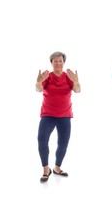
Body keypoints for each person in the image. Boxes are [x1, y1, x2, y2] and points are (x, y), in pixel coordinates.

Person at [36, 51, 81, 183]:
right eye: (55, 61)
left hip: (65, 116)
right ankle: (46, 169)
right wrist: (38, 82)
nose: (58, 63)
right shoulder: (47, 77)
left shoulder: (68, 77)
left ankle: (57, 168)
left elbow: (77, 90)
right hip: (48, 115)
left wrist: (76, 81)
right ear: (51, 63)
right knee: (42, 140)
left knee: (63, 144)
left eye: (60, 61)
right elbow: (38, 88)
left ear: (64, 63)